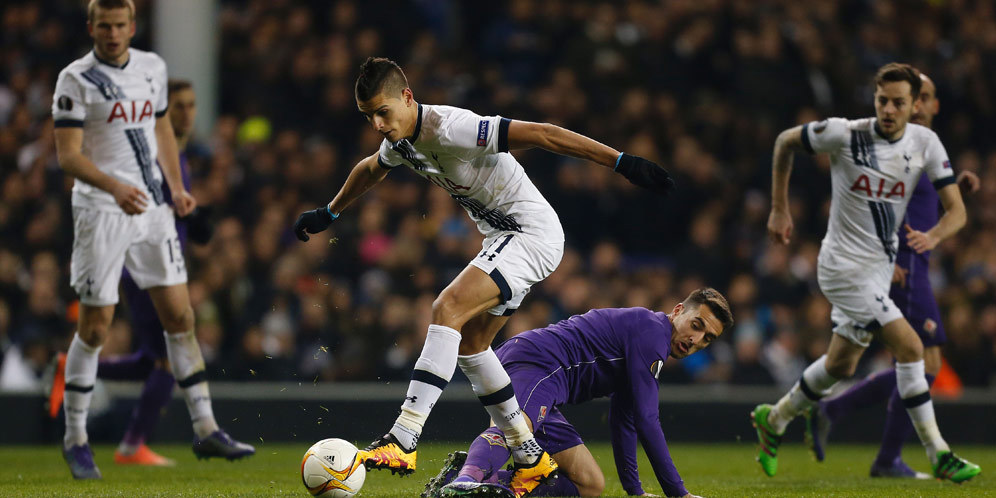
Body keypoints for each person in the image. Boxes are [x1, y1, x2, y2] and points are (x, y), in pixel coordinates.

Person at [293, 57, 674, 495]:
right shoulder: (400, 141)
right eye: (369, 117)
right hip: (504, 236)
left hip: (530, 233)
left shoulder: (450, 127)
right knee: (472, 345)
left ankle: (403, 435)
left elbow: (546, 134)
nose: (378, 124)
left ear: (407, 97)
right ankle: (529, 455)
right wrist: (330, 211)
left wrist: (621, 162)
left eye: (383, 112)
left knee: (445, 308)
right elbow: (370, 168)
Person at [51, 0, 252, 479]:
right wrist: (115, 186)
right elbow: (68, 157)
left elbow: (160, 124)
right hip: (102, 210)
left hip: (154, 211)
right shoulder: (75, 79)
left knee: (181, 317)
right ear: (92, 27)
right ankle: (76, 439)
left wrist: (177, 188)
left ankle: (206, 428)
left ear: (132, 26)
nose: (113, 33)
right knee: (96, 328)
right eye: (105, 26)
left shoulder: (152, 68)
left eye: (120, 25)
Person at [751, 62, 980, 483]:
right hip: (840, 267)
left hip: (880, 270)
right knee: (912, 349)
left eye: (898, 102)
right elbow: (785, 141)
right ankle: (939, 454)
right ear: (874, 100)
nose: (889, 109)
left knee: (840, 364)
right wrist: (780, 207)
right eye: (882, 101)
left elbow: (958, 211)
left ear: (914, 106)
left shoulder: (926, 142)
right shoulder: (845, 133)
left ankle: (776, 418)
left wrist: (934, 236)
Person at [420, 288, 733, 498]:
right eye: (696, 324)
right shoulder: (652, 333)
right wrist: (679, 493)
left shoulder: (647, 347)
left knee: (589, 484)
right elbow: (648, 420)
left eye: (707, 339)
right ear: (678, 310)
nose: (696, 339)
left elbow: (625, 420)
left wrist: (634, 490)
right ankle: (466, 481)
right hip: (538, 364)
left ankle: (462, 482)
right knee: (518, 428)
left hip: (548, 383)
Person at [47, 79, 215, 467]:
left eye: (191, 105)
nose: (187, 113)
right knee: (169, 360)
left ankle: (65, 366)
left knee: (151, 358)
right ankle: (132, 445)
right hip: (144, 270)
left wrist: (193, 220)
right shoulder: (152, 157)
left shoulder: (179, 158)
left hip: (162, 268)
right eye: (178, 106)